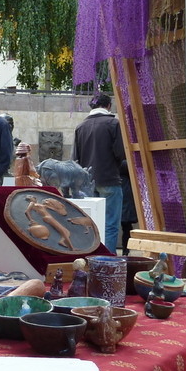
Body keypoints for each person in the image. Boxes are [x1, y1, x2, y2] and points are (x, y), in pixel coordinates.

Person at [72, 92, 126, 253]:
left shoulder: (80, 127)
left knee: (90, 224)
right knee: (110, 225)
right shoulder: (113, 124)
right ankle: (108, 260)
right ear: (108, 106)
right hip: (109, 179)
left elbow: (76, 159)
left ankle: (91, 256)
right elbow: (120, 154)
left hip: (87, 183)